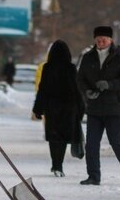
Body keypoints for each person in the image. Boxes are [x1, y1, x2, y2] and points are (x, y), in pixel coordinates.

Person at [76, 26, 120, 186]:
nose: (101, 42)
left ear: (111, 40)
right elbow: (80, 78)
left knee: (116, 141)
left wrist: (109, 85)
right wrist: (87, 91)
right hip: (94, 107)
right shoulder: (88, 57)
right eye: (98, 40)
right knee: (91, 144)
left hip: (115, 108)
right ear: (94, 40)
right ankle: (93, 176)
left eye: (104, 39)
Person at [32, 40, 85, 177]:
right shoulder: (71, 68)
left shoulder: (47, 68)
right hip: (69, 107)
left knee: (54, 138)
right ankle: (59, 166)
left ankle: (55, 165)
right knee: (63, 138)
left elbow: (42, 89)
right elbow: (76, 89)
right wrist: (81, 108)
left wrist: (38, 109)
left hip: (52, 108)